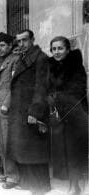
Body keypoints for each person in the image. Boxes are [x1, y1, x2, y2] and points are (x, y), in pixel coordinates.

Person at [7, 29, 50, 194]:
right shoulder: (23, 57)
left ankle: (40, 186)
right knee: (24, 148)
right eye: (19, 41)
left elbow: (41, 87)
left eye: (25, 40)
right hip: (19, 109)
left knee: (35, 149)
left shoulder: (41, 58)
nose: (21, 44)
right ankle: (27, 182)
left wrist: (35, 112)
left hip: (31, 109)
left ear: (32, 39)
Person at [48, 36, 88, 195]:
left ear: (68, 49)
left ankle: (75, 185)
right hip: (58, 113)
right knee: (62, 148)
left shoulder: (76, 66)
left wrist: (56, 97)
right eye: (54, 49)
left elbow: (78, 90)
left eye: (60, 48)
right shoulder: (50, 67)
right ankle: (68, 181)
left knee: (74, 150)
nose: (56, 52)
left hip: (75, 112)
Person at [0, 32, 21, 187]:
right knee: (2, 141)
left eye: (2, 45)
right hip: (0, 106)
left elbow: (15, 85)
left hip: (7, 107)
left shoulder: (15, 60)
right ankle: (7, 172)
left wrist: (6, 104)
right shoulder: (3, 61)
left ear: (10, 46)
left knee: (8, 141)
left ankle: (13, 177)